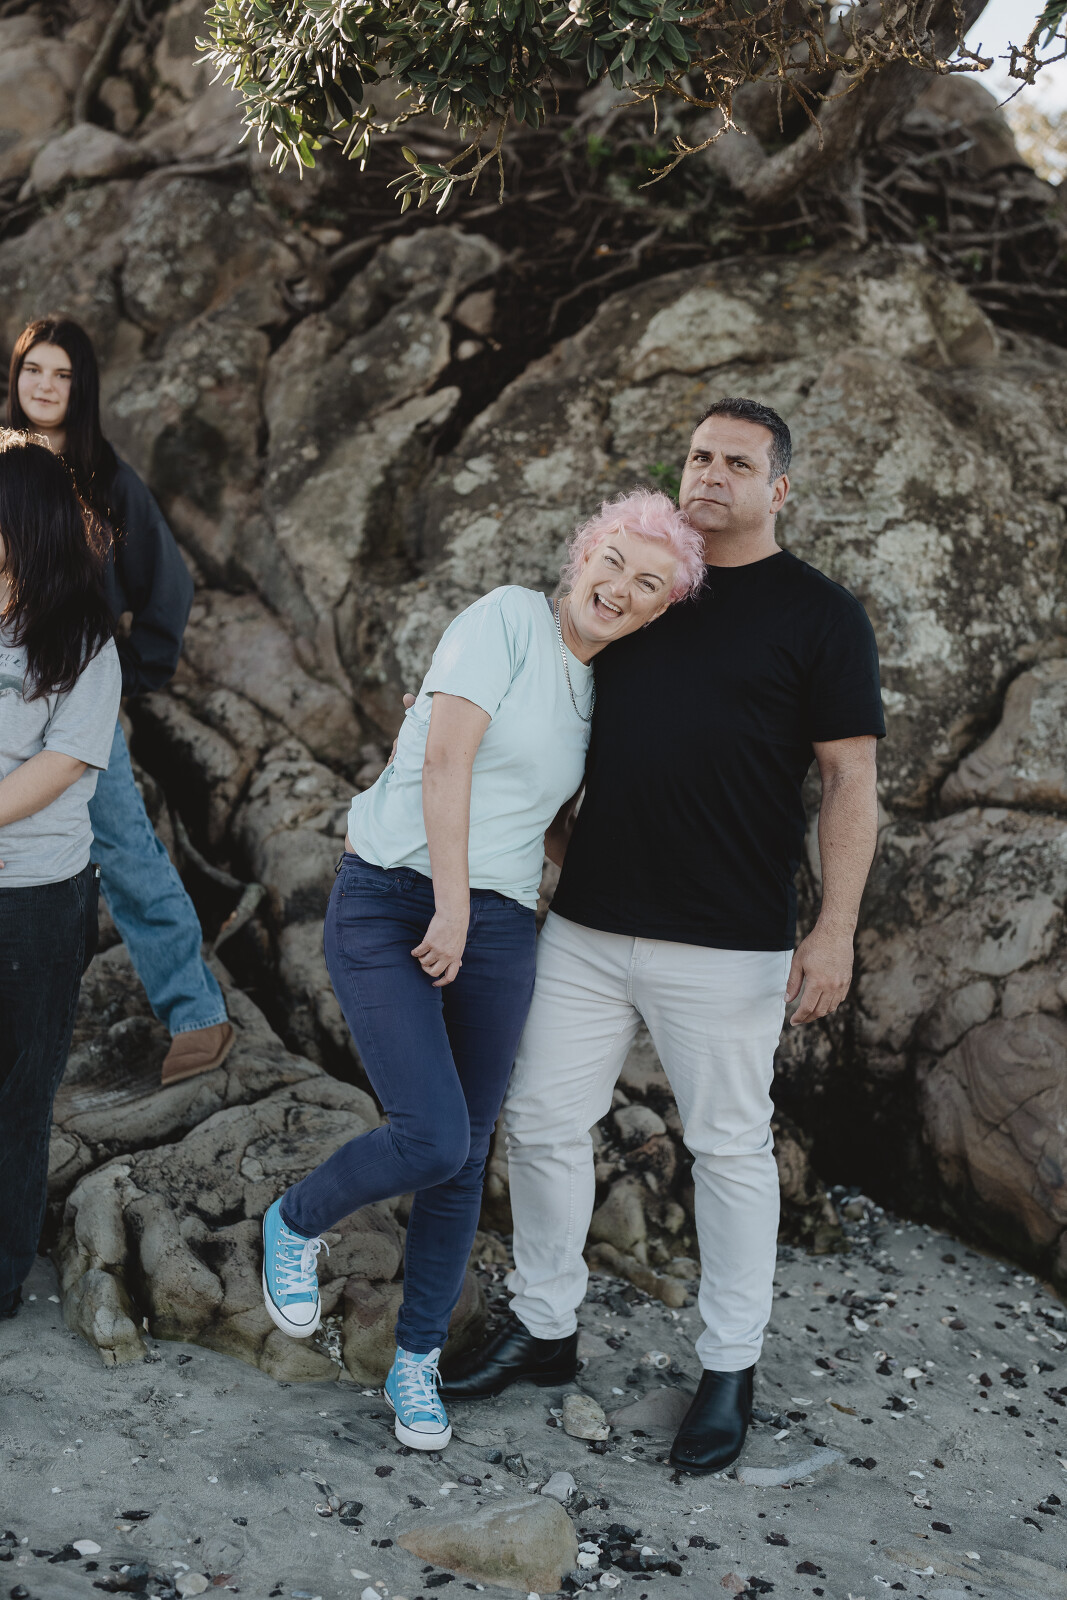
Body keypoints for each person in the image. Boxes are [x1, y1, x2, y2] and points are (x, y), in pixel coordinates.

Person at [441, 398, 886, 1477]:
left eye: (737, 462)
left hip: (728, 940)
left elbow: (849, 780)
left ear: (778, 489)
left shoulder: (821, 615)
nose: (710, 474)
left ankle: (728, 1366)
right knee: (541, 1121)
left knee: (728, 1148)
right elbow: (550, 718)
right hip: (586, 924)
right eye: (697, 456)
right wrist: (550, 836)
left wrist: (833, 929)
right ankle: (545, 1325)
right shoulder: (644, 591)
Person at [259, 490, 706, 1451]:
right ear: (582, 555)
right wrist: (451, 906)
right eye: (613, 561)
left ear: (661, 609)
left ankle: (416, 1361)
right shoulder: (505, 618)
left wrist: (650, 901)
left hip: (499, 926)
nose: (620, 588)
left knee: (463, 1157)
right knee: (430, 1134)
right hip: (392, 897)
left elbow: (552, 823)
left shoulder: (606, 692)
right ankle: (294, 1222)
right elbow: (444, 763)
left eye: (648, 583)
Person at [8, 318, 233, 1085]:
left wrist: (125, 676)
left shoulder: (108, 480)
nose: (44, 385)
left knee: (125, 847)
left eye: (62, 373)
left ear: (84, 386)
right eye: (32, 369)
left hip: (72, 699)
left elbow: (168, 590)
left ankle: (196, 1011)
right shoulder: (1, 462)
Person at [0, 429, 122, 1318]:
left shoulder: (83, 640)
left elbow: (63, 764)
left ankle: (3, 1270)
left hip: (37, 899)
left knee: (19, 1094)